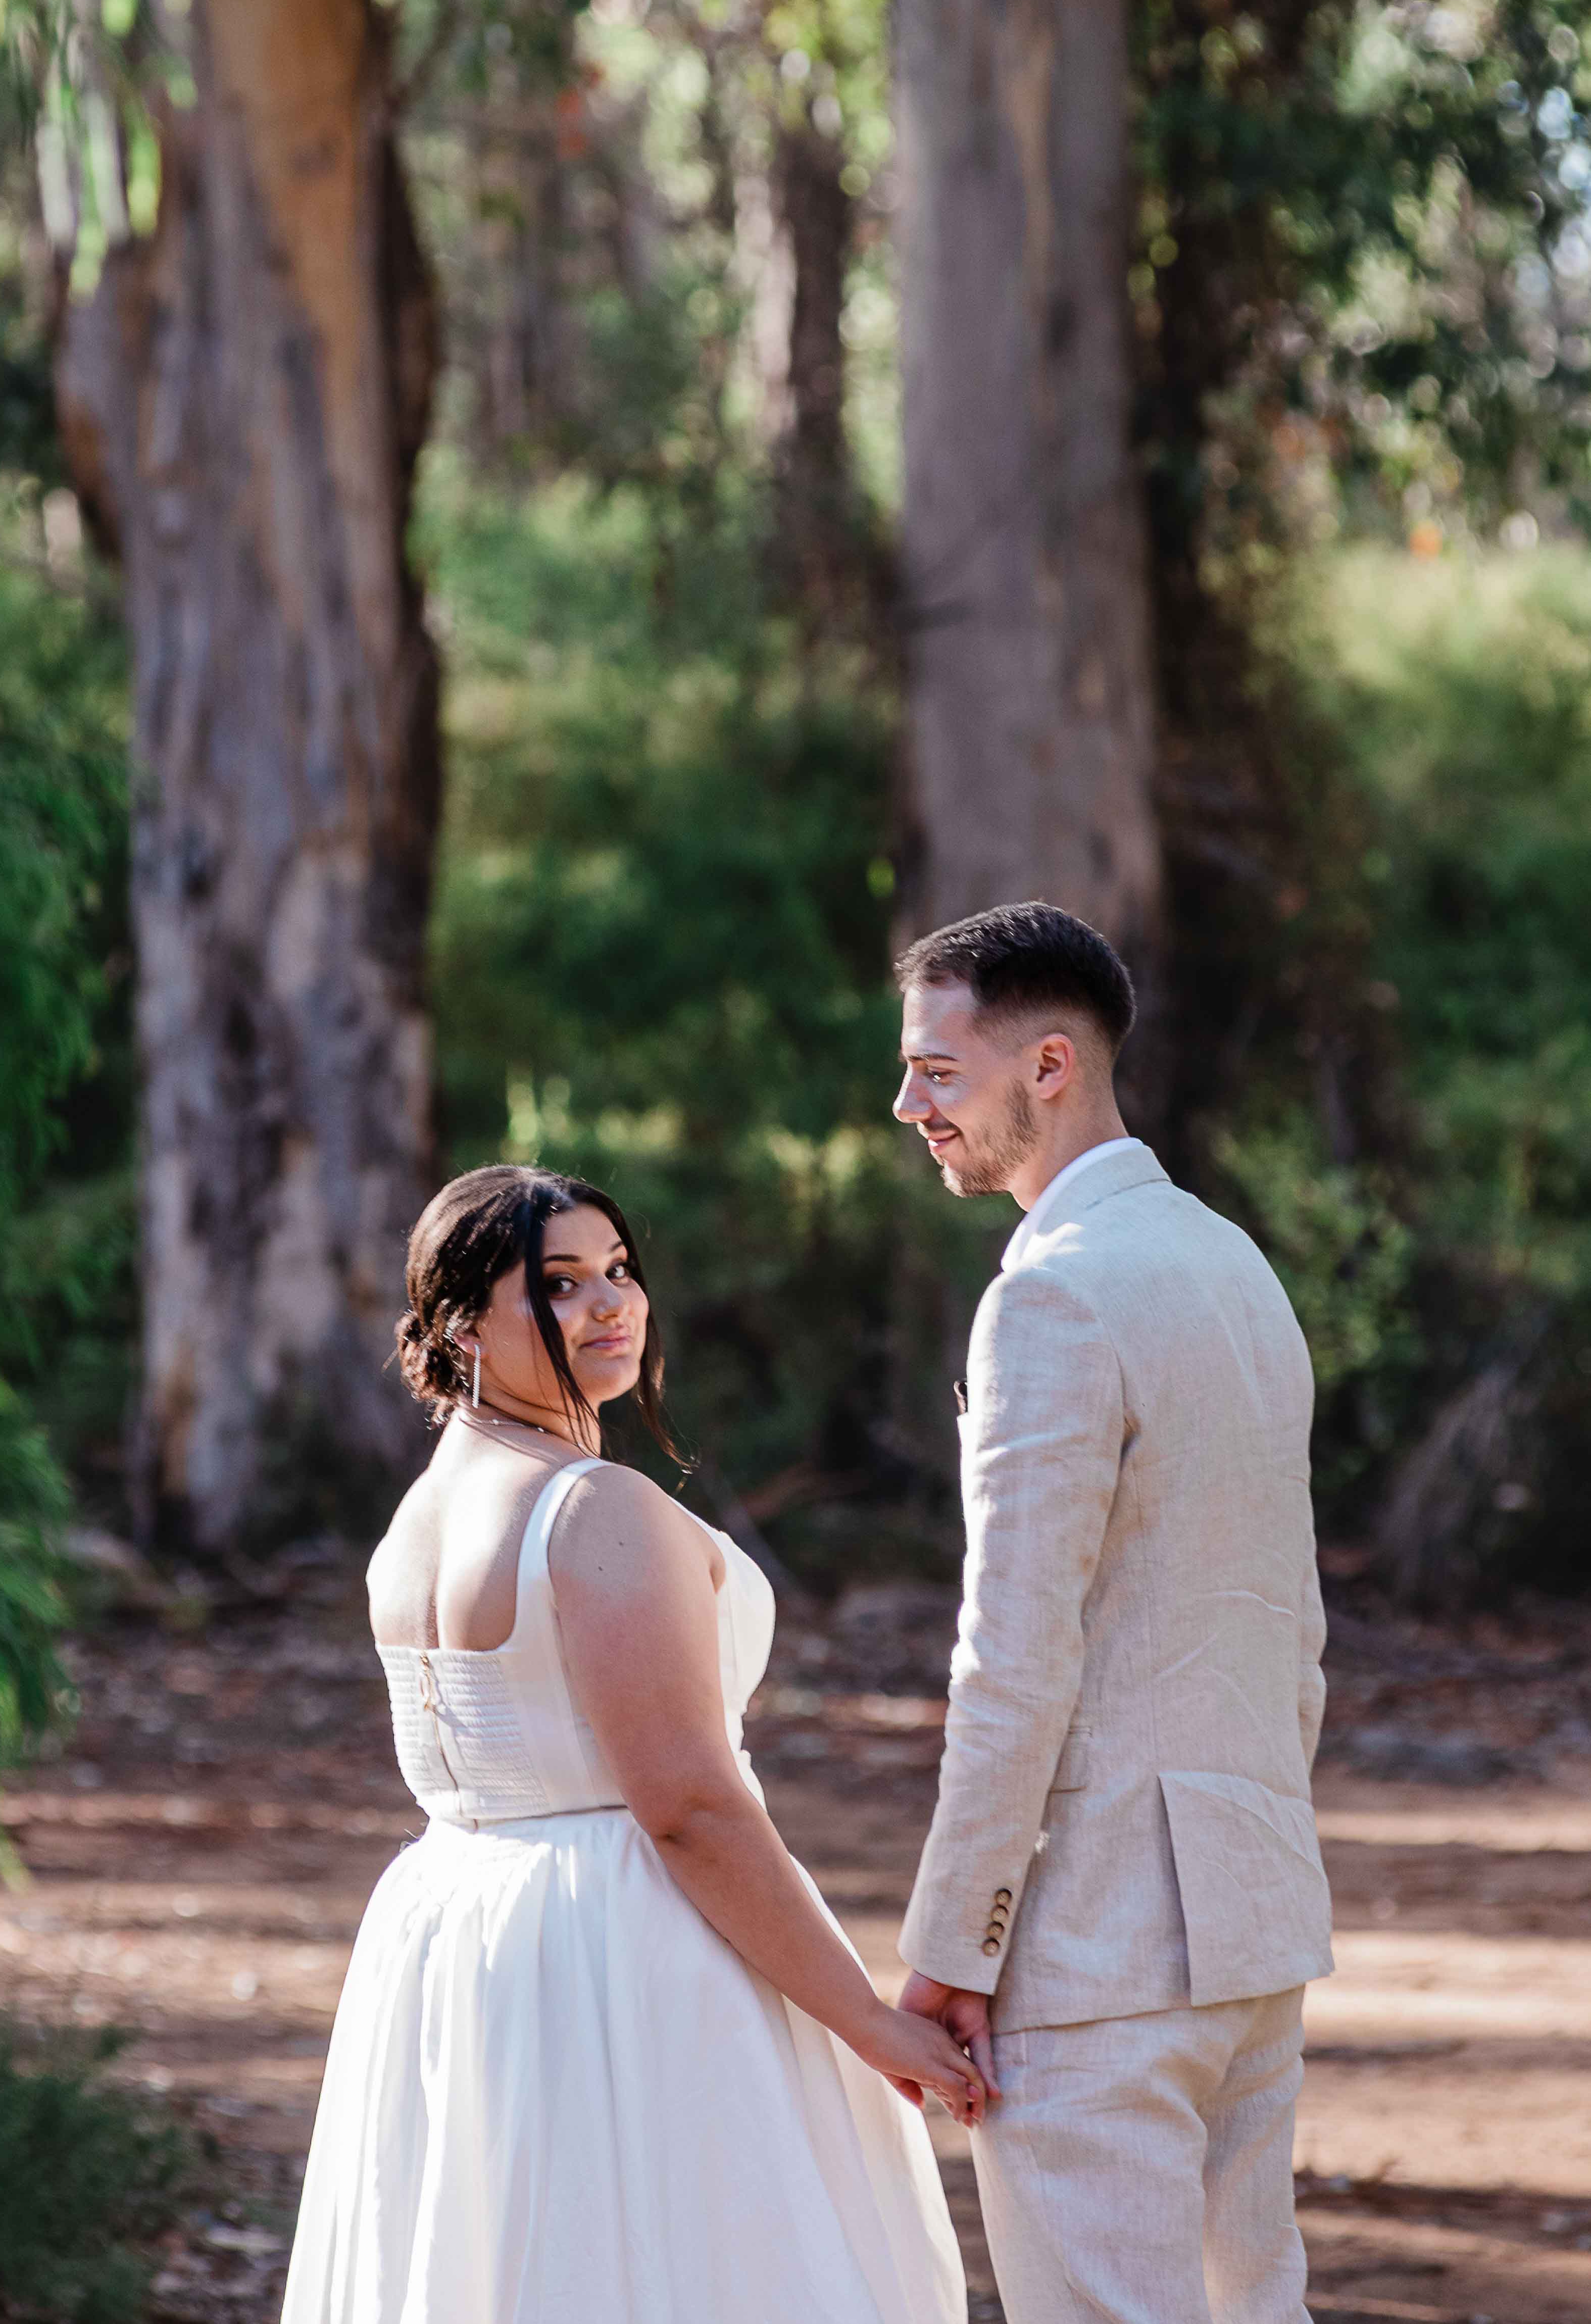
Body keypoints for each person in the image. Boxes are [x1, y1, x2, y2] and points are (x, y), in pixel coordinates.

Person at [280, 1162, 974, 2324]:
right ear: (459, 1324)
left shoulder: (414, 1522)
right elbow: (687, 1805)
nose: (612, 1304)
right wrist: (864, 2020)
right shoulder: (595, 1509)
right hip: (629, 1949)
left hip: (458, 1935)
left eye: (619, 1270)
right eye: (559, 1284)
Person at [889, 901, 1333, 2324]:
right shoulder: (1233, 1268)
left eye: (937, 1073)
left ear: (1049, 1065)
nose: (908, 1106)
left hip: (1097, 1947)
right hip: (1252, 1911)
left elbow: (1011, 1659)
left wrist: (954, 1945)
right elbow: (1290, 1628)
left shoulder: (1053, 1300)